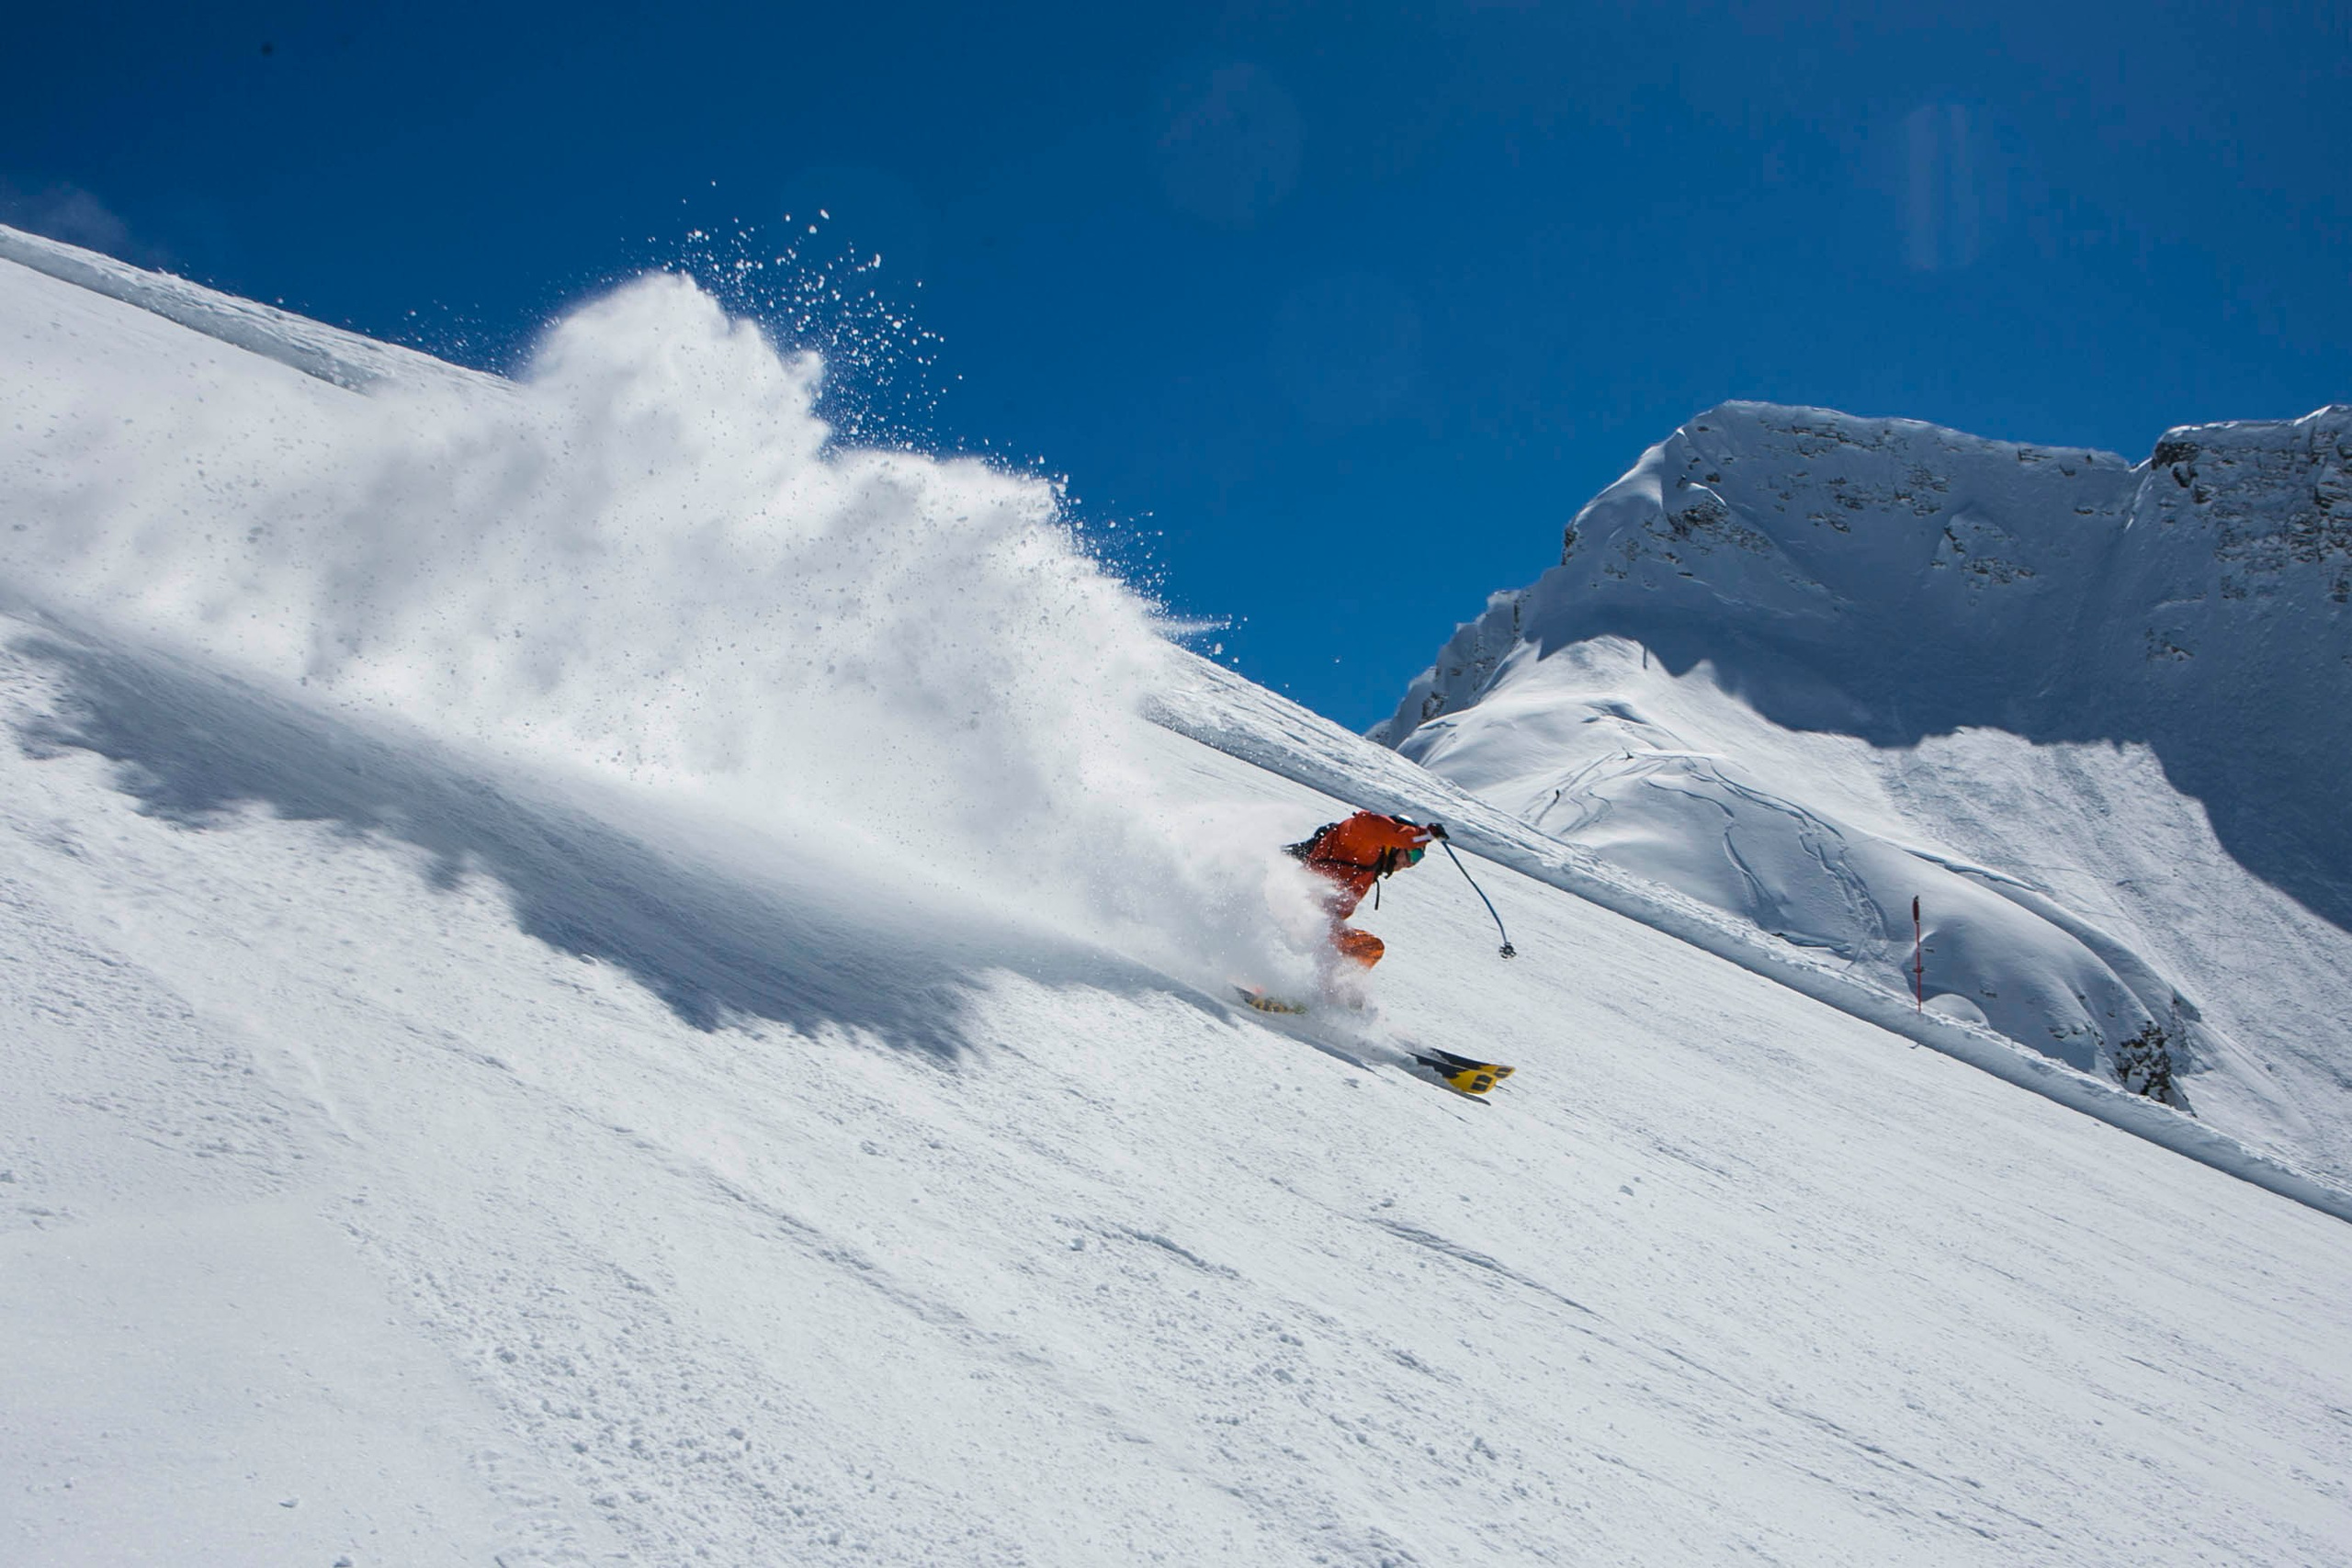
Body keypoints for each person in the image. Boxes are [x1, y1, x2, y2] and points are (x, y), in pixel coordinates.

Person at [1284, 811, 1446, 968]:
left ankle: (1334, 991)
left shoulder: (1368, 871)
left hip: (1314, 922)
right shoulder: (1361, 842)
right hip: (1292, 904)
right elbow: (1367, 823)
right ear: (1393, 845)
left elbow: (1338, 912)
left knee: (1366, 947)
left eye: (1418, 859)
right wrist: (1420, 835)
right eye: (1413, 854)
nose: (1410, 864)